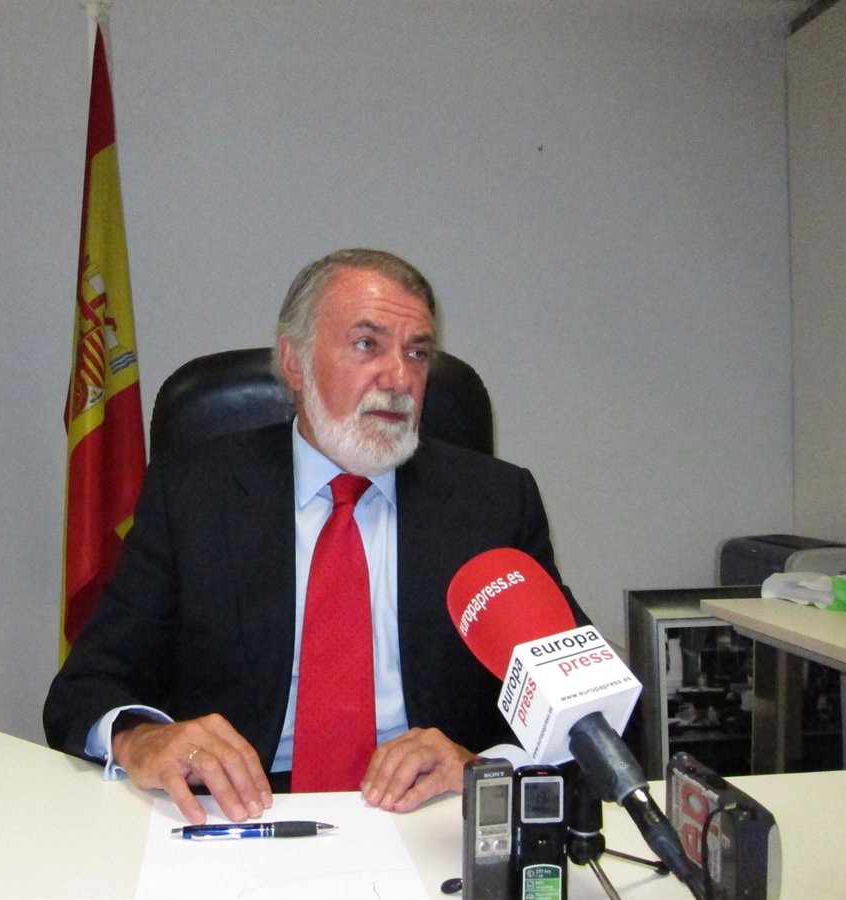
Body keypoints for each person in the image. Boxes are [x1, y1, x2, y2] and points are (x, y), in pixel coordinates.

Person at [44, 248, 582, 825]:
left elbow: (583, 707)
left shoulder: (494, 504)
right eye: (367, 344)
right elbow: (86, 687)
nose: (400, 378)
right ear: (294, 363)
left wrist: (484, 768)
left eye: (417, 353)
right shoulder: (194, 494)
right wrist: (141, 739)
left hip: (431, 811)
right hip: (239, 811)